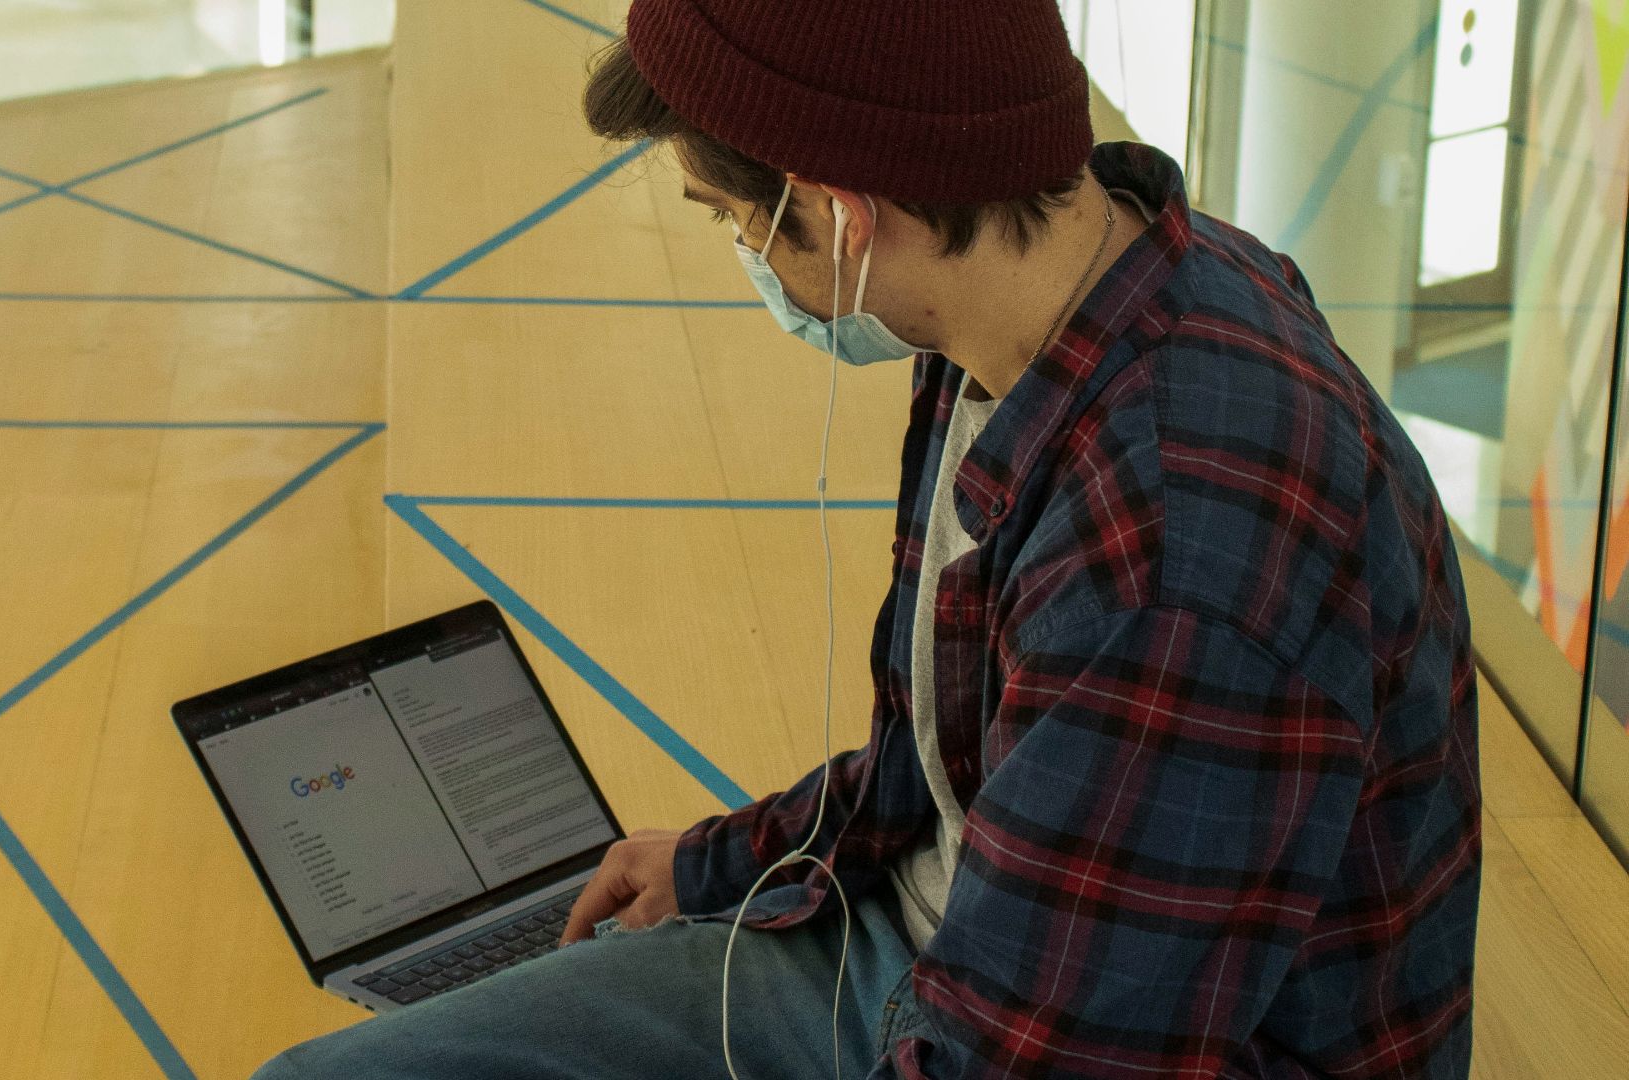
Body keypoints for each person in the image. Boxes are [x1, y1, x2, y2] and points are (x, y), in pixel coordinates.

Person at [253, 1, 1481, 1076]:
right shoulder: (1039, 300)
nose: (744, 256)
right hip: (940, 953)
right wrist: (724, 861)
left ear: (841, 218)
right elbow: (952, 777)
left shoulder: (1171, 569)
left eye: (735, 219)